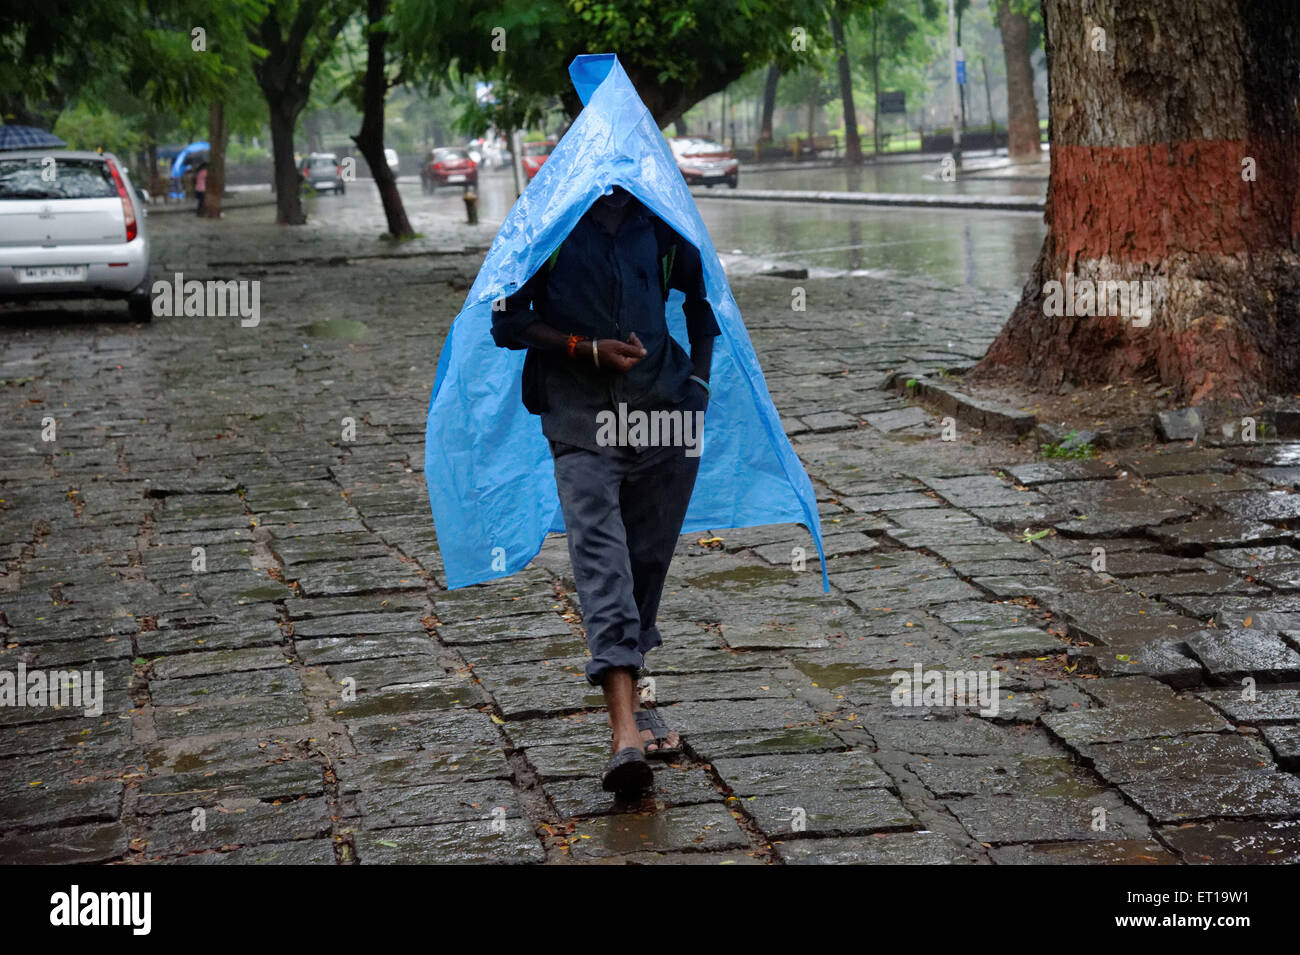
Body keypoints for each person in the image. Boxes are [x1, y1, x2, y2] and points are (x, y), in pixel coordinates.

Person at [491, 184, 718, 795]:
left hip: (665, 414)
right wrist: (583, 348)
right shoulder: (546, 221)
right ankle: (623, 736)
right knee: (600, 561)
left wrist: (697, 383)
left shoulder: (666, 217)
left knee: (646, 561)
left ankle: (638, 708)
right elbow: (506, 321)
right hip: (578, 417)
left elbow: (703, 303)